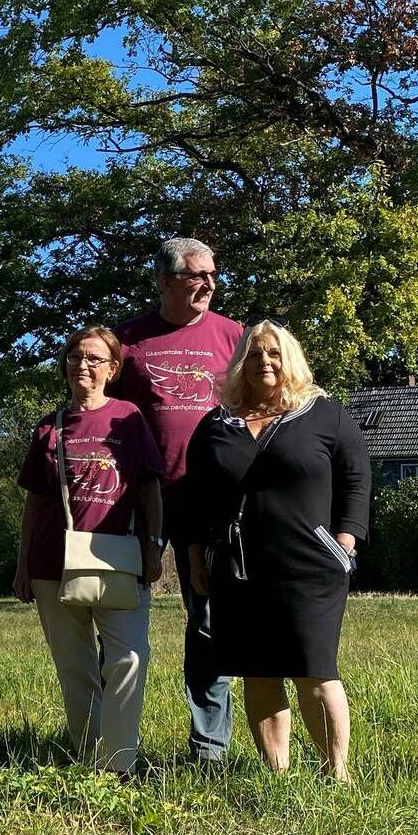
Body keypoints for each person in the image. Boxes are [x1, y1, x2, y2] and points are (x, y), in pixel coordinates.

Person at [184, 322, 369, 782]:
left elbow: (357, 478)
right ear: (239, 364)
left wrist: (346, 540)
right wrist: (195, 556)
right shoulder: (215, 424)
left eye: (273, 354)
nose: (264, 362)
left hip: (310, 566)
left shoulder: (324, 414)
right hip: (237, 567)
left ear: (290, 360)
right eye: (253, 354)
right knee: (257, 670)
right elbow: (194, 497)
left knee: (314, 668)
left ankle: (336, 773)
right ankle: (278, 776)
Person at [114, 236, 246, 768]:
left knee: (209, 616)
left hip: (210, 497)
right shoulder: (127, 342)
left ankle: (210, 748)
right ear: (166, 282)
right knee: (121, 613)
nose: (209, 284)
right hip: (138, 493)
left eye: (213, 274)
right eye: (197, 275)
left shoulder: (234, 337)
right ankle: (114, 740)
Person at [12, 326, 166, 774]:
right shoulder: (49, 426)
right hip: (51, 564)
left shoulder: (129, 419)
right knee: (75, 668)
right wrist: (22, 565)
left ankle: (119, 763)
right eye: (76, 357)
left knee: (130, 657)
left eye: (96, 359)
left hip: (118, 557)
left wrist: (154, 546)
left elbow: (150, 489)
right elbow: (34, 502)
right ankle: (88, 758)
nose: (84, 366)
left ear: (113, 369)